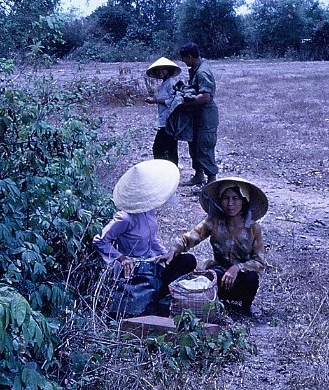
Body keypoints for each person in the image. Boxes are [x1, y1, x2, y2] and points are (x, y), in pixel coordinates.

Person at [93, 159, 196, 312]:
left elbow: (152, 240)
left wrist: (165, 254)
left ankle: (162, 295)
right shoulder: (125, 218)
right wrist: (121, 258)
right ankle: (156, 299)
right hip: (134, 268)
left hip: (151, 261)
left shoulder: (149, 210)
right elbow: (100, 241)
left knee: (187, 260)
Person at [164, 177, 268, 316]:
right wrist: (174, 250)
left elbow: (260, 262)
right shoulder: (214, 221)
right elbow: (190, 237)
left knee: (252, 278)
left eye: (235, 198)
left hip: (241, 281)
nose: (230, 204)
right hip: (218, 278)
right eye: (226, 198)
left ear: (244, 200)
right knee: (210, 274)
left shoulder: (253, 228)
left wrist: (237, 268)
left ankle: (246, 307)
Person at [178, 42, 218, 186]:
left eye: (184, 59)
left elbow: (205, 96)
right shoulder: (195, 69)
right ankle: (199, 175)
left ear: (189, 57)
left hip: (206, 115)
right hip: (196, 115)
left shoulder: (202, 72)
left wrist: (183, 103)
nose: (183, 62)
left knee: (204, 146)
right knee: (193, 145)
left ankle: (212, 180)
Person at [144, 57, 182, 166]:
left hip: (169, 120)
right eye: (159, 70)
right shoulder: (164, 84)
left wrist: (155, 100)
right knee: (167, 147)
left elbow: (174, 101)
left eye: (163, 70)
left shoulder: (171, 83)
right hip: (164, 119)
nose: (161, 72)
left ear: (168, 70)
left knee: (160, 147)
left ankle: (168, 169)